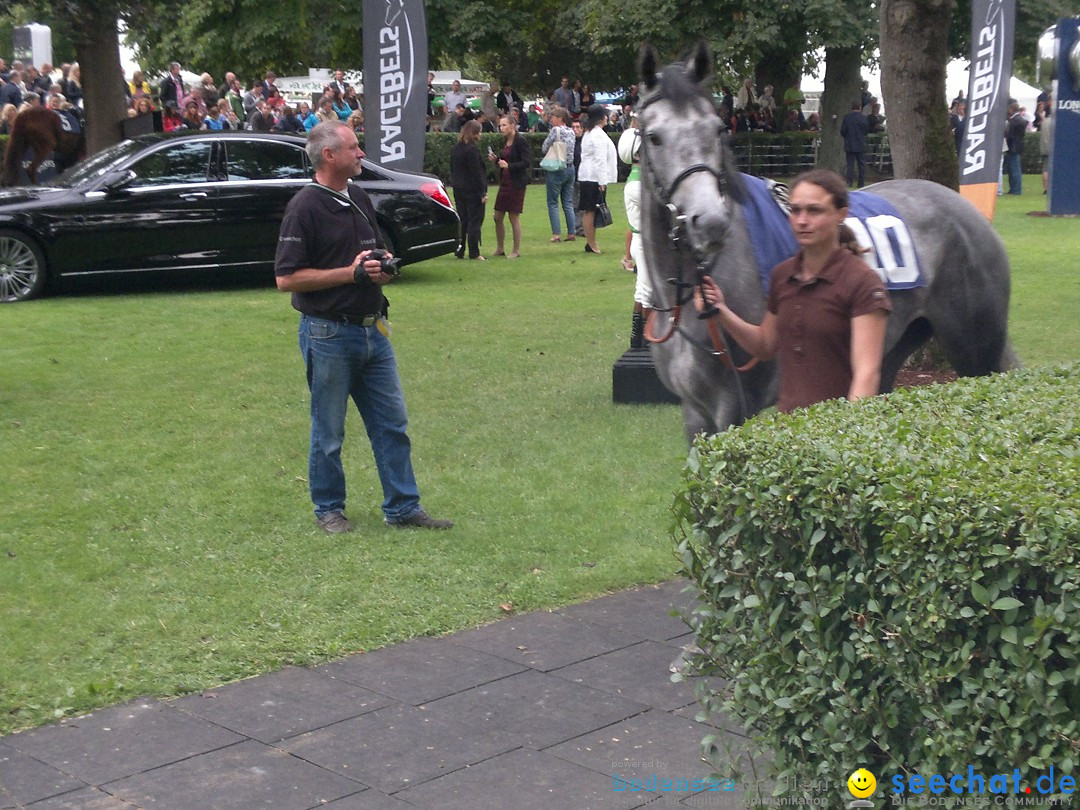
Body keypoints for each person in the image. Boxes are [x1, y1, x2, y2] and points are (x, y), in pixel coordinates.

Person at [274, 121, 453, 534]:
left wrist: (379, 266)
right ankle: (329, 509)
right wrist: (350, 273)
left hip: (374, 329)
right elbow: (287, 279)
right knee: (329, 431)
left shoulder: (357, 196)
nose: (362, 155)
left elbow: (366, 255)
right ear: (329, 156)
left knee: (392, 424)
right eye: (355, 148)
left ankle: (403, 507)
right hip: (329, 333)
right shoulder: (304, 207)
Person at [694, 169, 891, 413]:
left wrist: (846, 433)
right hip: (790, 432)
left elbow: (867, 372)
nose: (802, 220)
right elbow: (764, 345)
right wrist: (721, 311)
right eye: (795, 210)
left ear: (841, 215)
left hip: (838, 432)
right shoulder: (782, 275)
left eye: (814, 210)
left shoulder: (863, 282)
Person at [618, 120, 654, 350]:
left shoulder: (641, 181)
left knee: (645, 291)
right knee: (647, 292)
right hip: (644, 242)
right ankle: (645, 340)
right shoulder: (635, 186)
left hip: (644, 241)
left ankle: (639, 339)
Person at [577, 104, 618, 254]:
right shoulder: (597, 135)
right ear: (601, 118)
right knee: (590, 210)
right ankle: (591, 243)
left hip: (588, 175)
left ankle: (591, 242)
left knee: (591, 210)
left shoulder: (591, 132)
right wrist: (602, 181)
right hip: (593, 176)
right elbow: (600, 159)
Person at [488, 114, 530, 258]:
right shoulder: (505, 141)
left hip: (516, 183)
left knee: (513, 216)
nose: (502, 128)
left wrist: (509, 166)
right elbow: (504, 161)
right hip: (505, 182)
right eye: (500, 125)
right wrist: (496, 160)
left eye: (504, 125)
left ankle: (516, 250)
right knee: (497, 216)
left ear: (513, 126)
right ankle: (500, 248)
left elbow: (526, 162)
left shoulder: (520, 141)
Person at [449, 119, 488, 260]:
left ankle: (460, 249)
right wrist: (482, 193)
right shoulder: (472, 150)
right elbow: (476, 173)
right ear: (475, 133)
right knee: (474, 221)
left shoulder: (455, 149)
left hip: (459, 188)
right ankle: (474, 252)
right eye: (480, 132)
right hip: (472, 190)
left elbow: (453, 169)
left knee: (463, 221)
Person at [541, 106, 577, 242]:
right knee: (567, 202)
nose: (551, 120)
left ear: (560, 118)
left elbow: (544, 147)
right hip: (570, 168)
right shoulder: (572, 131)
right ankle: (571, 232)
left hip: (557, 168)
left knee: (553, 202)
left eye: (553, 117)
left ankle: (556, 233)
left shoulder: (555, 130)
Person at [840, 101, 869, 188]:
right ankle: (861, 183)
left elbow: (843, 131)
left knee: (850, 165)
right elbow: (866, 130)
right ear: (860, 107)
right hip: (860, 144)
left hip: (850, 144)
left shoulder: (847, 118)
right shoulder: (863, 118)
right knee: (861, 165)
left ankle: (849, 182)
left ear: (852, 107)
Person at [1004, 100, 1026, 195]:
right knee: (1014, 168)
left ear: (1011, 109)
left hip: (1013, 147)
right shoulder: (1019, 119)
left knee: (1014, 169)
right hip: (1016, 146)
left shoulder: (1015, 120)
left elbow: (1010, 135)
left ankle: (1016, 189)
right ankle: (1014, 188)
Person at [1038, 96, 1053, 195]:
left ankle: (1046, 188)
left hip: (1044, 147)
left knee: (1045, 169)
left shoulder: (1044, 122)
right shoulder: (1055, 122)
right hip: (1052, 148)